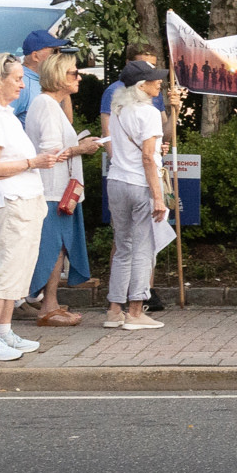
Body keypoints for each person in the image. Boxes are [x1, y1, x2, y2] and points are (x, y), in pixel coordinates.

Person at [0, 53, 68, 360]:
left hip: (24, 201)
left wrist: (38, 161)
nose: (23, 85)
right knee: (5, 269)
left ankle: (3, 331)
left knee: (18, 271)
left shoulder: (4, 114)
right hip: (9, 202)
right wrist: (33, 162)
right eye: (18, 79)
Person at [22, 50, 103, 325]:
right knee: (54, 248)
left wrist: (79, 146)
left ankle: (50, 303)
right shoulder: (45, 105)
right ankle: (47, 307)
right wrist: (82, 148)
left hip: (59, 189)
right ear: (58, 76)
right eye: (74, 73)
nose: (79, 77)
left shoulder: (50, 104)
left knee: (58, 247)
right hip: (52, 190)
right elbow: (51, 152)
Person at [102, 59, 171, 330]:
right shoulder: (149, 113)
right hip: (140, 184)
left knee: (123, 247)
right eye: (155, 79)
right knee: (144, 248)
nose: (159, 83)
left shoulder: (118, 109)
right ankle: (135, 312)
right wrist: (158, 197)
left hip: (116, 181)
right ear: (141, 86)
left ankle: (114, 311)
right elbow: (147, 158)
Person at [13, 29, 63, 118]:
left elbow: (66, 122)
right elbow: (1, 119)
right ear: (35, 56)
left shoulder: (46, 79)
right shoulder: (21, 83)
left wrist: (64, 89)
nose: (59, 56)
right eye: (54, 52)